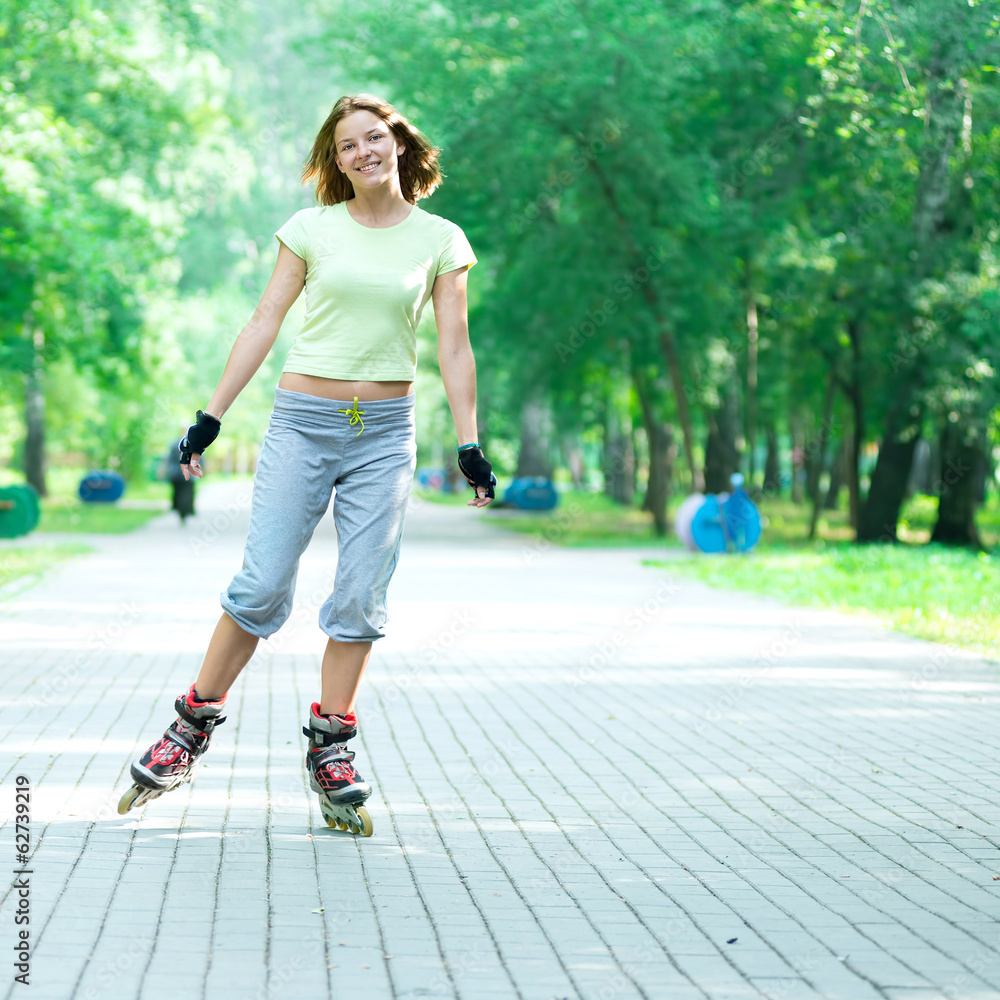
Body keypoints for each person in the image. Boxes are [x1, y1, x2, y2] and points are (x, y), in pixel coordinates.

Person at [118, 94, 496, 833]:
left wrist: (469, 442)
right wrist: (210, 416)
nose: (363, 152)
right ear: (336, 160)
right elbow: (265, 319)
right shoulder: (311, 228)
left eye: (374, 137)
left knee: (361, 594)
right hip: (302, 422)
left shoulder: (442, 239)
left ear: (398, 143)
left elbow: (454, 344)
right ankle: (190, 727)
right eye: (347, 145)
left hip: (384, 432)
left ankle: (332, 749)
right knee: (261, 586)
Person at [161, 437, 195, 524]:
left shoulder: (175, 444)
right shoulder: (194, 444)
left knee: (179, 493)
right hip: (187, 473)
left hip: (176, 473)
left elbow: (168, 459)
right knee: (186, 494)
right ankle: (184, 511)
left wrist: (163, 470)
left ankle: (180, 510)